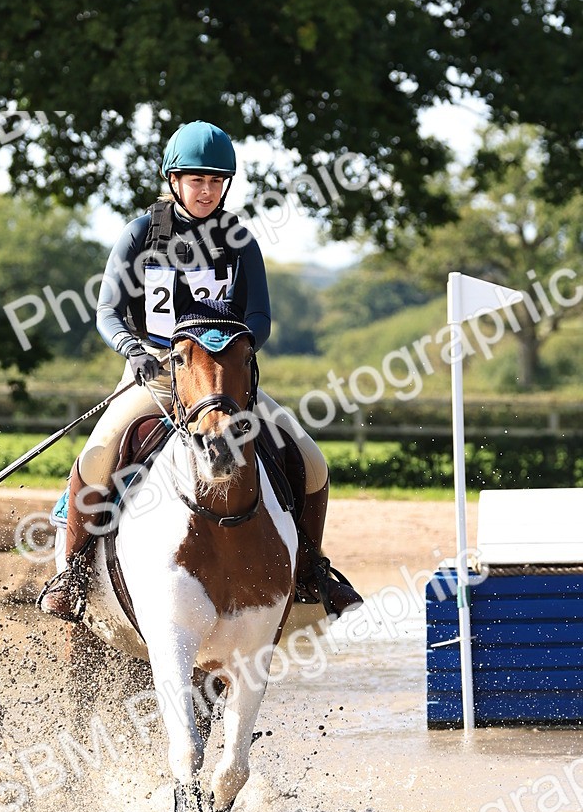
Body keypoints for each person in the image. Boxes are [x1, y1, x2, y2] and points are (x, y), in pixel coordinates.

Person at [39, 120, 363, 622]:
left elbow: (259, 317)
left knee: (313, 465)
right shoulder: (143, 233)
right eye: (197, 180)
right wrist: (133, 347)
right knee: (98, 455)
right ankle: (73, 576)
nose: (207, 191)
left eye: (216, 182)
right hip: (158, 376)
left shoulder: (238, 240)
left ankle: (309, 570)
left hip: (224, 384)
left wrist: (238, 351)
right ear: (173, 181)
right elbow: (108, 311)